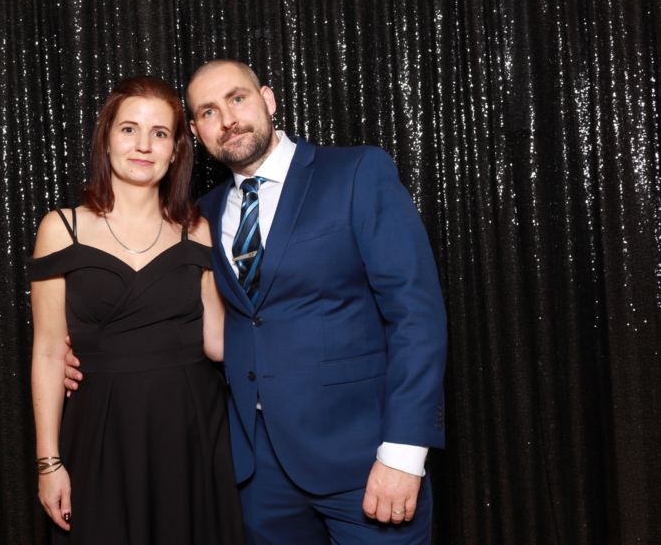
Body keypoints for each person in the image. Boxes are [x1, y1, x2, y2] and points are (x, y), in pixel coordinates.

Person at [66, 60, 447, 544]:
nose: (227, 119)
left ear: (267, 99)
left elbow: (416, 315)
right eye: (208, 111)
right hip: (254, 474)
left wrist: (404, 452)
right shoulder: (200, 217)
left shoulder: (355, 172)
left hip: (364, 460)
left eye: (237, 99)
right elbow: (190, 321)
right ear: (196, 132)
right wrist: (89, 351)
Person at [28, 76, 244, 545]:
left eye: (159, 133)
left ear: (176, 150)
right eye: (129, 129)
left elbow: (218, 341)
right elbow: (47, 351)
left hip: (192, 431)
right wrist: (49, 463)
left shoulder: (197, 229)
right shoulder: (61, 228)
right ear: (106, 139)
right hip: (101, 431)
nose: (143, 145)